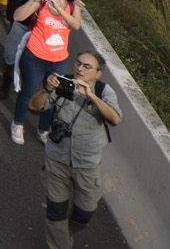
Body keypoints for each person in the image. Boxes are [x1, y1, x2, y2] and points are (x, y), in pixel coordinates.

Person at [32, 50, 122, 249]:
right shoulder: (62, 83)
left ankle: (63, 235)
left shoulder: (103, 91)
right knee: (56, 211)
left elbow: (115, 119)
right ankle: (60, 243)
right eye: (78, 63)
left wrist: (92, 97)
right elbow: (34, 107)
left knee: (84, 213)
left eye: (87, 66)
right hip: (57, 159)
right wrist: (46, 89)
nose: (80, 69)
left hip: (87, 164)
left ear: (98, 73)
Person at [11, 0, 84, 145]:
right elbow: (17, 16)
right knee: (28, 91)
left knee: (52, 95)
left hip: (58, 61)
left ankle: (43, 128)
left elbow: (76, 25)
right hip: (34, 57)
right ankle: (18, 123)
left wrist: (59, 9)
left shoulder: (73, 6)